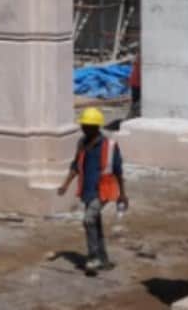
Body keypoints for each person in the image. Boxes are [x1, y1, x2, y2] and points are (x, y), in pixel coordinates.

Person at [56, 107, 126, 276]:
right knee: (95, 223)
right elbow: (75, 166)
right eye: (83, 125)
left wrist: (122, 194)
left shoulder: (109, 146)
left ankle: (93, 258)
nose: (84, 128)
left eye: (87, 126)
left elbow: (118, 171)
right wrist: (65, 184)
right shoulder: (82, 143)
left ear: (96, 127)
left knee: (88, 220)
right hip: (87, 190)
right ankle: (103, 259)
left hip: (103, 190)